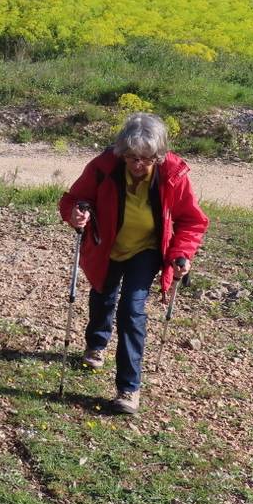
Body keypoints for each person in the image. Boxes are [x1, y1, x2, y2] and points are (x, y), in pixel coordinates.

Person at [58, 113, 208, 415]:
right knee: (102, 293)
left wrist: (183, 254)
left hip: (148, 249)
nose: (138, 165)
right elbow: (74, 199)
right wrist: (77, 212)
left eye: (146, 159)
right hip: (108, 244)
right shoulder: (103, 167)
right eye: (131, 157)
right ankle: (96, 344)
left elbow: (192, 221)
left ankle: (128, 388)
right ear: (121, 153)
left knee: (131, 308)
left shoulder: (173, 175)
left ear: (159, 155)